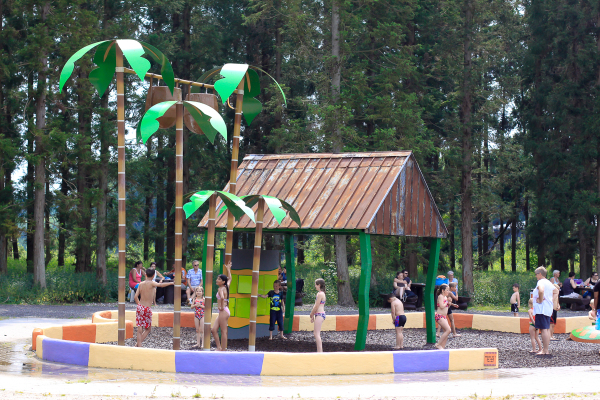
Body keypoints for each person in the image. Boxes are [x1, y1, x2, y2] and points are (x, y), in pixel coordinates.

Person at [134, 268, 174, 347]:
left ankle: (138, 346)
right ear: (153, 276)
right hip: (147, 308)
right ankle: (138, 345)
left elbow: (135, 297)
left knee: (139, 329)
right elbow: (161, 285)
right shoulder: (152, 283)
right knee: (148, 329)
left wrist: (139, 305)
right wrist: (171, 283)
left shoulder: (141, 283)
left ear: (145, 275)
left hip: (140, 307)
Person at [533, 266, 559, 355]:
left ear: (540, 274)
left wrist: (540, 300)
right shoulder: (548, 282)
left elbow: (541, 290)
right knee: (547, 329)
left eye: (536, 274)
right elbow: (556, 291)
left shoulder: (541, 282)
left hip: (541, 309)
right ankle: (546, 349)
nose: (536, 276)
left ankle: (545, 350)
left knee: (544, 329)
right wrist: (551, 300)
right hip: (548, 308)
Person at [211, 261, 232, 351]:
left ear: (223, 281)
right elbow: (230, 279)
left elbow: (222, 297)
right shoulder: (226, 286)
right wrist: (228, 269)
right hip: (223, 311)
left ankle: (223, 349)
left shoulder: (221, 289)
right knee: (213, 330)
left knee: (223, 331)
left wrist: (222, 306)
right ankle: (219, 347)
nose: (217, 280)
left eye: (219, 279)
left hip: (223, 310)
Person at [310, 278, 326, 353]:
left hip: (319, 314)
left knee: (317, 334)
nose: (315, 286)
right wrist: (313, 315)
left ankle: (320, 352)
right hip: (319, 314)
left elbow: (316, 306)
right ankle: (319, 351)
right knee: (316, 333)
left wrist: (311, 313)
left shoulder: (320, 294)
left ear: (319, 285)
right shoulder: (321, 293)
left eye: (315, 285)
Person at [435, 284, 452, 350]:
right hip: (439, 316)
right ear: (443, 290)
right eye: (447, 290)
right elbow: (442, 306)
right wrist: (447, 302)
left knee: (446, 332)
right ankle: (438, 344)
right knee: (448, 330)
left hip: (444, 316)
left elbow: (446, 307)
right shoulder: (441, 296)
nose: (448, 291)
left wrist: (449, 303)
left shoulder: (445, 297)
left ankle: (442, 347)